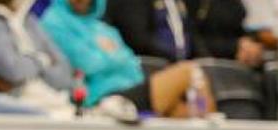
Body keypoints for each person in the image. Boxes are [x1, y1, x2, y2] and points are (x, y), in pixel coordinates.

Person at [42, 0, 216, 118]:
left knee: (183, 113)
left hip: (131, 89)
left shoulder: (102, 27)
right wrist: (113, 56)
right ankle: (204, 119)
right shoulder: (54, 22)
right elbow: (88, 63)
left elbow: (131, 63)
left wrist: (110, 57)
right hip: (100, 98)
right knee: (189, 72)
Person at [0, 0, 75, 115]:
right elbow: (14, 71)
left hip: (54, 97)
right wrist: (42, 60)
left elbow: (65, 72)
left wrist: (32, 65)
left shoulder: (28, 16)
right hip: (17, 100)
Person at [103, 0, 198, 62]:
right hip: (151, 62)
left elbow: (190, 33)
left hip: (184, 61)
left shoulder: (177, 2)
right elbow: (138, 38)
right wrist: (176, 57)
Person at [184, 0, 265, 66]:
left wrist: (249, 44)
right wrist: (235, 47)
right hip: (203, 65)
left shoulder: (232, 4)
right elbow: (192, 42)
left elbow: (237, 28)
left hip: (235, 64)